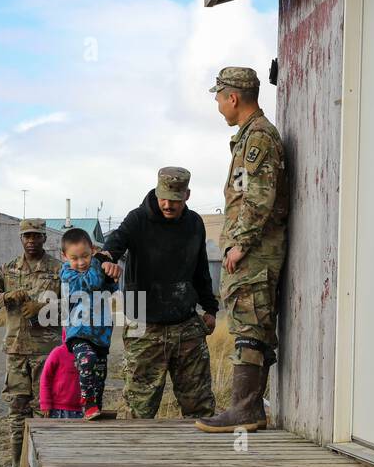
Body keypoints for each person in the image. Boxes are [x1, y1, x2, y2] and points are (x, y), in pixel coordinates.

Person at [196, 66, 287, 434]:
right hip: (253, 250)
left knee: (249, 327)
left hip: (255, 252)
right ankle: (249, 408)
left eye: (219, 98)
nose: (218, 105)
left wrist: (238, 244)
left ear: (233, 97)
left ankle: (245, 410)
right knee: (250, 325)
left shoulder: (259, 139)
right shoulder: (250, 136)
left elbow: (258, 198)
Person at [97, 166, 217, 419]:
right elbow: (115, 243)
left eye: (175, 199)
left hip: (186, 325)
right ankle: (137, 457)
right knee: (139, 410)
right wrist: (107, 258)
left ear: (187, 195)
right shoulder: (138, 218)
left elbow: (201, 269)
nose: (168, 204)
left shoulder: (194, 223)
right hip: (145, 326)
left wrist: (210, 308)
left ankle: (201, 457)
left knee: (200, 406)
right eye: (164, 197)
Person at [0, 219, 62, 467]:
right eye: (27, 235)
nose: (31, 240)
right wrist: (5, 297)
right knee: (16, 410)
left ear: (45, 238)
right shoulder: (9, 270)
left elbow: (77, 305)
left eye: (36, 235)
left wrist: (47, 307)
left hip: (46, 352)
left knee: (44, 411)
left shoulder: (59, 270)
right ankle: (17, 466)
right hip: (16, 351)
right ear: (21, 238)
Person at [60, 227, 117, 419]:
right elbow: (90, 283)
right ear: (65, 257)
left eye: (85, 256)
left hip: (100, 334)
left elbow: (110, 288)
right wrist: (98, 261)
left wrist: (110, 273)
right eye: (74, 258)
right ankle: (88, 401)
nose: (81, 262)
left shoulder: (96, 266)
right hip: (79, 332)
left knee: (100, 377)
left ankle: (94, 410)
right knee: (87, 360)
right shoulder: (67, 274)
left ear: (92, 249)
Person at [40, 329, 83, 419]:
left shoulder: (86, 355)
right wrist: (45, 403)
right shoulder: (57, 353)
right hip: (57, 409)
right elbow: (45, 378)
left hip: (79, 409)